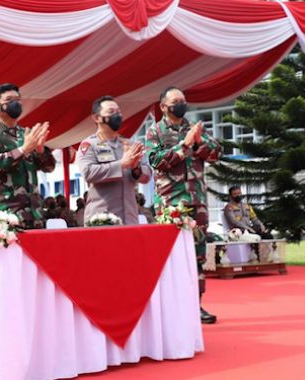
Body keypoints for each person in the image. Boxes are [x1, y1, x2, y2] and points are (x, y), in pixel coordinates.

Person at [145, 86, 221, 324]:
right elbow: (157, 161)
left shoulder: (195, 128)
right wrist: (185, 146)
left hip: (197, 201)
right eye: (176, 101)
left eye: (183, 100)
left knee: (197, 255)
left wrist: (197, 144)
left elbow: (217, 152)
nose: (181, 104)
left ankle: (196, 305)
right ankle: (171, 307)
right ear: (163, 107)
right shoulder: (154, 131)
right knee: (170, 256)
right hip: (171, 204)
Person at [0, 83, 56, 229]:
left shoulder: (26, 134)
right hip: (6, 217)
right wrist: (24, 149)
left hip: (35, 214)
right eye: (9, 100)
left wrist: (40, 151)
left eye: (18, 99)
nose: (16, 103)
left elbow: (49, 167)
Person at [77, 95, 152, 225]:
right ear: (97, 118)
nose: (117, 115)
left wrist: (136, 168)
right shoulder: (90, 145)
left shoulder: (128, 144)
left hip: (129, 217)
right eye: (111, 112)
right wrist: (121, 164)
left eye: (118, 112)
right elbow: (88, 172)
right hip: (102, 219)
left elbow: (147, 175)